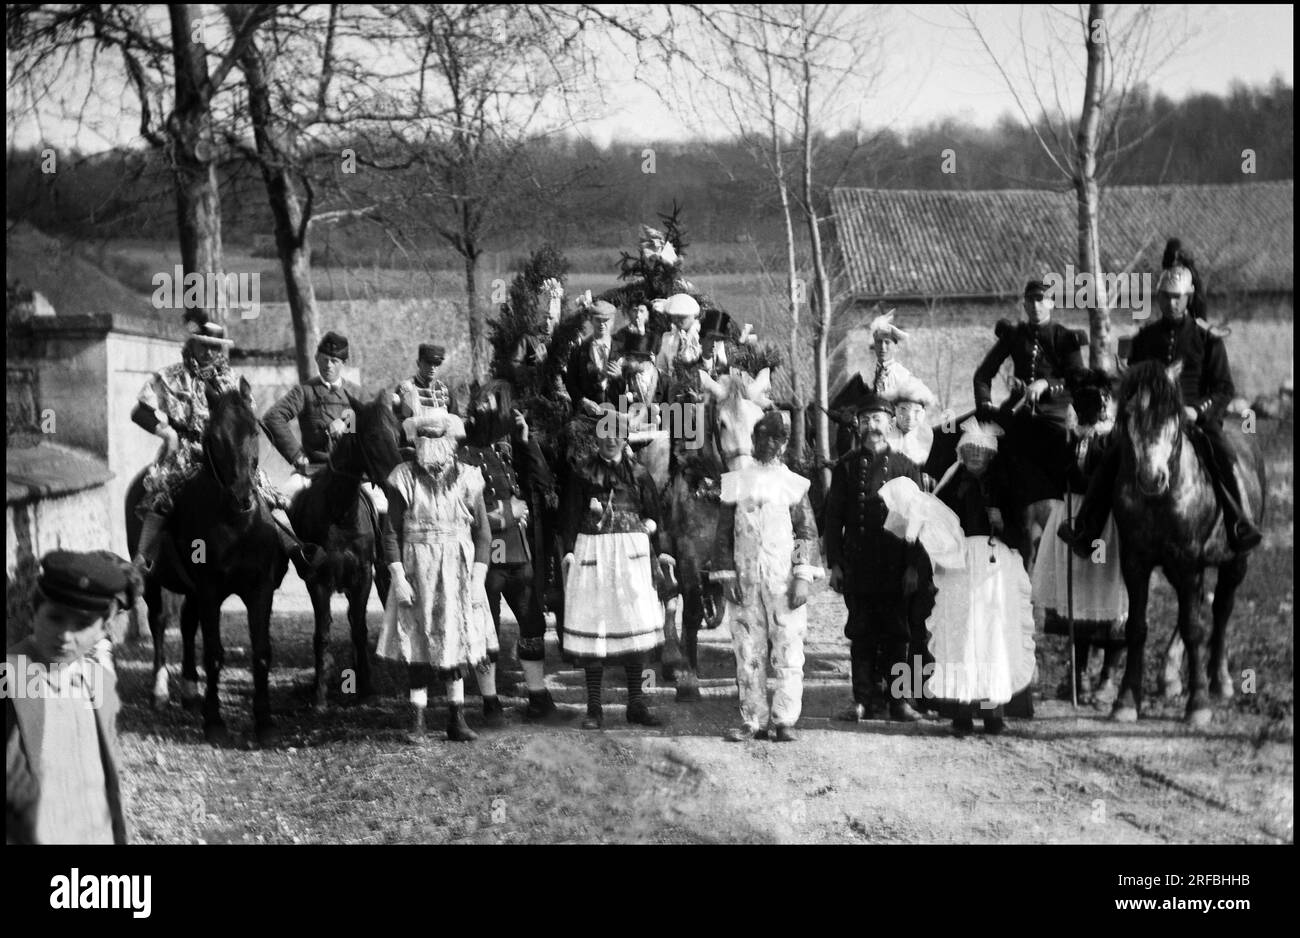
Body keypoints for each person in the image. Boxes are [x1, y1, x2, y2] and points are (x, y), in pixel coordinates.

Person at [1059, 262, 1262, 555]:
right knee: (1111, 456)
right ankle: (1086, 530)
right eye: (1166, 296)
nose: (1172, 302)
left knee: (1225, 454)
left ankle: (1238, 524)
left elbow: (1223, 388)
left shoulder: (1207, 339)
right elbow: (1131, 383)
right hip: (1152, 421)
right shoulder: (1145, 338)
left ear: (1188, 297)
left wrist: (1197, 411)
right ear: (1159, 297)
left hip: (1197, 418)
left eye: (1177, 296)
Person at [131, 311, 308, 573]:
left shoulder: (232, 381)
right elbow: (140, 411)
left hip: (227, 453)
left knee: (268, 493)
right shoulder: (169, 377)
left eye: (215, 347)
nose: (209, 352)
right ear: (192, 343)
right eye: (204, 345)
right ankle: (144, 559)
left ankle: (296, 551)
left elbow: (248, 418)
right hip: (185, 449)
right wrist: (166, 433)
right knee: (162, 494)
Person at [378, 413, 499, 742]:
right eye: (424, 440)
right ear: (415, 442)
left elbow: (484, 535)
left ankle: (456, 719)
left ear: (451, 441)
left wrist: (477, 581)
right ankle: (416, 720)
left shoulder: (468, 477)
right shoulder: (403, 477)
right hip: (417, 569)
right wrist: (398, 577)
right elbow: (390, 533)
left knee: (454, 640)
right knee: (417, 643)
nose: (431, 446)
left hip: (457, 571)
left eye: (437, 440)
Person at [6, 551, 136, 844]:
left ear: (104, 629)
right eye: (55, 617)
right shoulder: (11, 674)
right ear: (32, 613)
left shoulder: (99, 681)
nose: (65, 635)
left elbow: (107, 772)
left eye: (81, 624)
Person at [711, 412, 823, 742]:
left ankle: (785, 718)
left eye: (775, 439)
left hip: (782, 581)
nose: (766, 444)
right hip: (745, 581)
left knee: (788, 648)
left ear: (785, 444)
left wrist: (802, 577)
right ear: (753, 439)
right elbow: (723, 533)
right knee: (748, 650)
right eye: (761, 437)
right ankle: (753, 719)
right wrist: (726, 573)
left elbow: (806, 531)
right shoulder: (736, 481)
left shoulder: (793, 484)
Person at [561, 404, 672, 729]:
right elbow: (567, 516)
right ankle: (594, 708)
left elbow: (655, 515)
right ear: (597, 438)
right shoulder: (581, 472)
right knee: (594, 625)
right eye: (605, 433)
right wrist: (568, 552)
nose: (611, 440)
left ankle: (636, 703)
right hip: (593, 554)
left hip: (632, 559)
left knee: (633, 625)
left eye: (617, 434)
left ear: (625, 438)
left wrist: (654, 539)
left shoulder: (639, 474)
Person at [459, 380, 561, 721]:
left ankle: (537, 696)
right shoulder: (459, 454)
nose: (490, 414)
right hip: (484, 558)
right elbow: (462, 510)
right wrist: (507, 513)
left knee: (531, 622)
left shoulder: (504, 452)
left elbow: (543, 483)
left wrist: (525, 440)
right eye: (485, 407)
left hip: (518, 554)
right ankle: (490, 704)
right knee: (485, 627)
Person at [927, 419, 1037, 734]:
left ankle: (992, 712)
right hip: (959, 566)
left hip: (996, 568)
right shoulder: (950, 485)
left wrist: (1003, 524)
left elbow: (1022, 537)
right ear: (962, 452)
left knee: (992, 636)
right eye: (970, 450)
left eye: (981, 451)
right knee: (963, 635)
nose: (975, 456)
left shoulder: (1006, 485)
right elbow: (935, 526)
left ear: (991, 455)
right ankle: (961, 710)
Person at [824, 393, 926, 722]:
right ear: (858, 425)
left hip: (896, 565)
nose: (872, 426)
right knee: (861, 633)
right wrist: (836, 564)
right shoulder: (846, 467)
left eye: (878, 420)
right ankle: (862, 700)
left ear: (890, 422)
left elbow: (916, 520)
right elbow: (833, 519)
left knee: (899, 635)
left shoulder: (906, 467)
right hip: (859, 566)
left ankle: (899, 702)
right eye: (866, 420)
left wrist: (913, 566)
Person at [1032, 368, 1127, 700]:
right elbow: (1056, 472)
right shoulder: (1069, 435)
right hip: (1071, 513)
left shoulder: (1115, 437)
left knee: (1109, 593)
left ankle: (1108, 678)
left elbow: (1111, 477)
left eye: (1098, 399)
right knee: (1078, 593)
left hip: (1105, 524)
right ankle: (1079, 673)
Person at [973, 279, 1086, 509]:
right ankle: (995, 514)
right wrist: (985, 404)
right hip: (1018, 412)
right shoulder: (1014, 336)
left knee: (1072, 461)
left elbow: (1078, 382)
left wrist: (1046, 384)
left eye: (1041, 299)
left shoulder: (1064, 337)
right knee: (987, 453)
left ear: (1051, 303)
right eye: (1030, 301)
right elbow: (982, 375)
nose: (1036, 305)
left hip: (1056, 414)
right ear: (1024, 305)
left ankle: (1075, 518)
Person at [263, 330, 365, 479]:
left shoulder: (357, 393)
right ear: (316, 359)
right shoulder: (304, 392)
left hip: (353, 471)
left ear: (343, 363)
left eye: (334, 361)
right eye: (324, 359)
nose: (328, 365)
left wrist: (347, 424)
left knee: (380, 500)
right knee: (288, 496)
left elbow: (375, 422)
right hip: (314, 470)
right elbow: (273, 417)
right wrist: (296, 455)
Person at [394, 343, 460, 451]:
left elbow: (455, 421)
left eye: (436, 363)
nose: (432, 368)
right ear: (418, 363)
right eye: (428, 363)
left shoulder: (446, 390)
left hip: (444, 450)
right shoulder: (406, 388)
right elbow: (401, 424)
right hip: (415, 450)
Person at [564, 300, 622, 417]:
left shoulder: (622, 351)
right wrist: (583, 402)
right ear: (591, 320)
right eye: (598, 320)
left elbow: (630, 387)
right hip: (587, 416)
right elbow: (571, 383)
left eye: (606, 320)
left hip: (616, 415)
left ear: (613, 321)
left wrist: (620, 377)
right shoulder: (579, 351)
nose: (602, 324)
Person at [886, 374, 937, 474]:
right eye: (903, 409)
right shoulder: (886, 430)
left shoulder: (925, 434)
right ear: (895, 409)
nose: (909, 418)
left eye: (917, 411)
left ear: (923, 412)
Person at [697, 309, 732, 380]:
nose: (714, 344)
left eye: (718, 340)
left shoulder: (724, 367)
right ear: (701, 339)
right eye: (710, 338)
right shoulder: (693, 364)